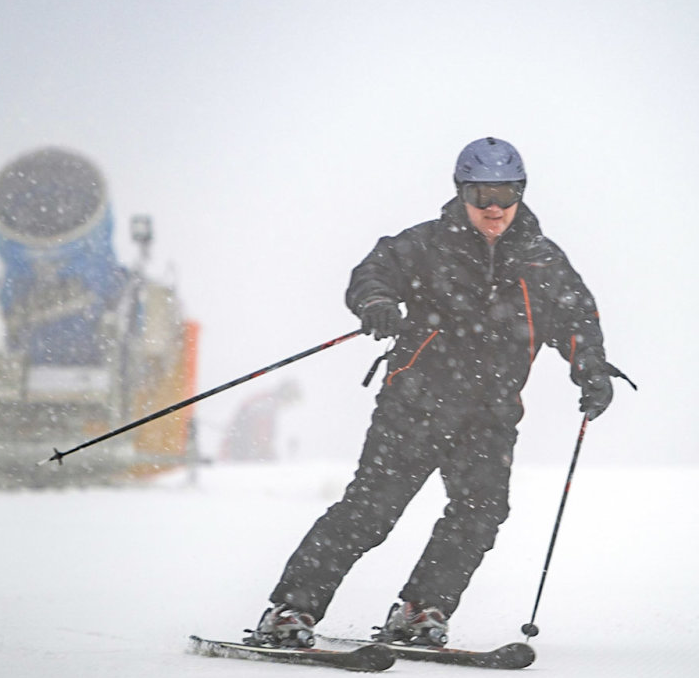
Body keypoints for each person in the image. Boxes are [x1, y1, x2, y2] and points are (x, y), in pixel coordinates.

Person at [250, 137, 620, 648]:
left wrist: (592, 369)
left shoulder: (543, 261)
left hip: (491, 416)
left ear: (522, 192)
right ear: (461, 192)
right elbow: (372, 274)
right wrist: (377, 303)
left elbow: (577, 317)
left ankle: (421, 611)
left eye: (506, 193)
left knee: (481, 513)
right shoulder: (425, 244)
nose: (494, 207)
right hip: (416, 405)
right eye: (481, 193)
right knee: (370, 511)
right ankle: (290, 611)